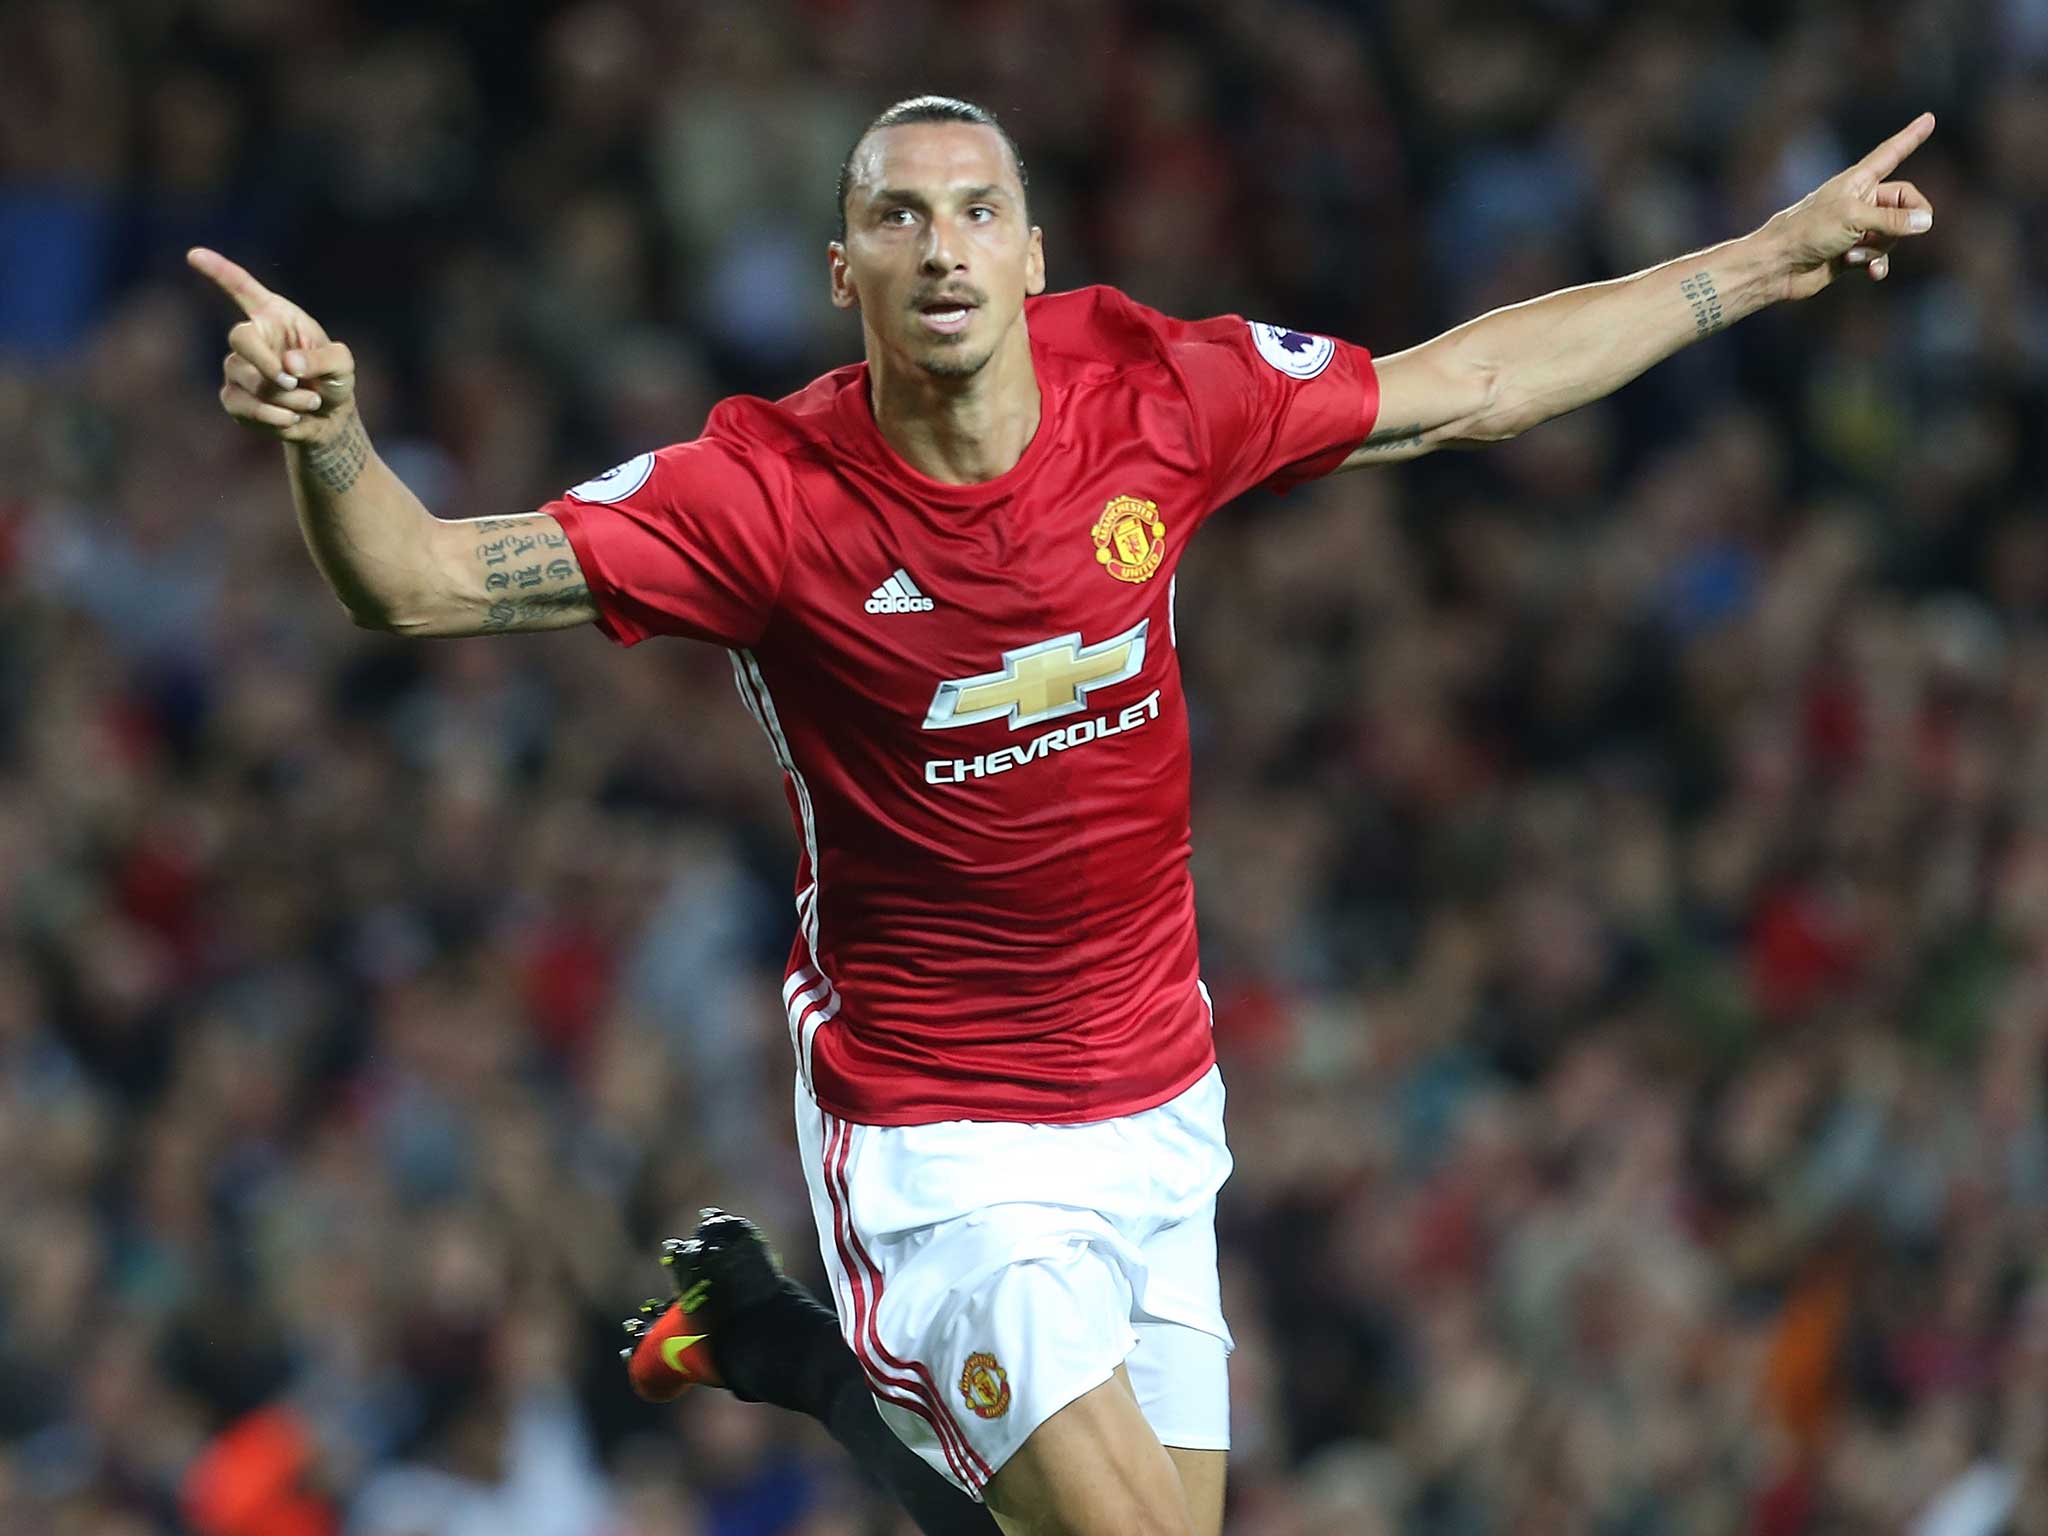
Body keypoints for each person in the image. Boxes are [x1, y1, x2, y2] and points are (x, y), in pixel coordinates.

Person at [191, 94, 1935, 1536]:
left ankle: (794, 1357)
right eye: (896, 217)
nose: (941, 245)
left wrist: (1765, 262)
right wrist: (332, 434)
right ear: (842, 271)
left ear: (1033, 256)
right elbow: (416, 585)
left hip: (1161, 1103)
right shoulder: (758, 499)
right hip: (944, 1132)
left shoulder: (1155, 393)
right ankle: (814, 1349)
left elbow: (1464, 386)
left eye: (976, 212)